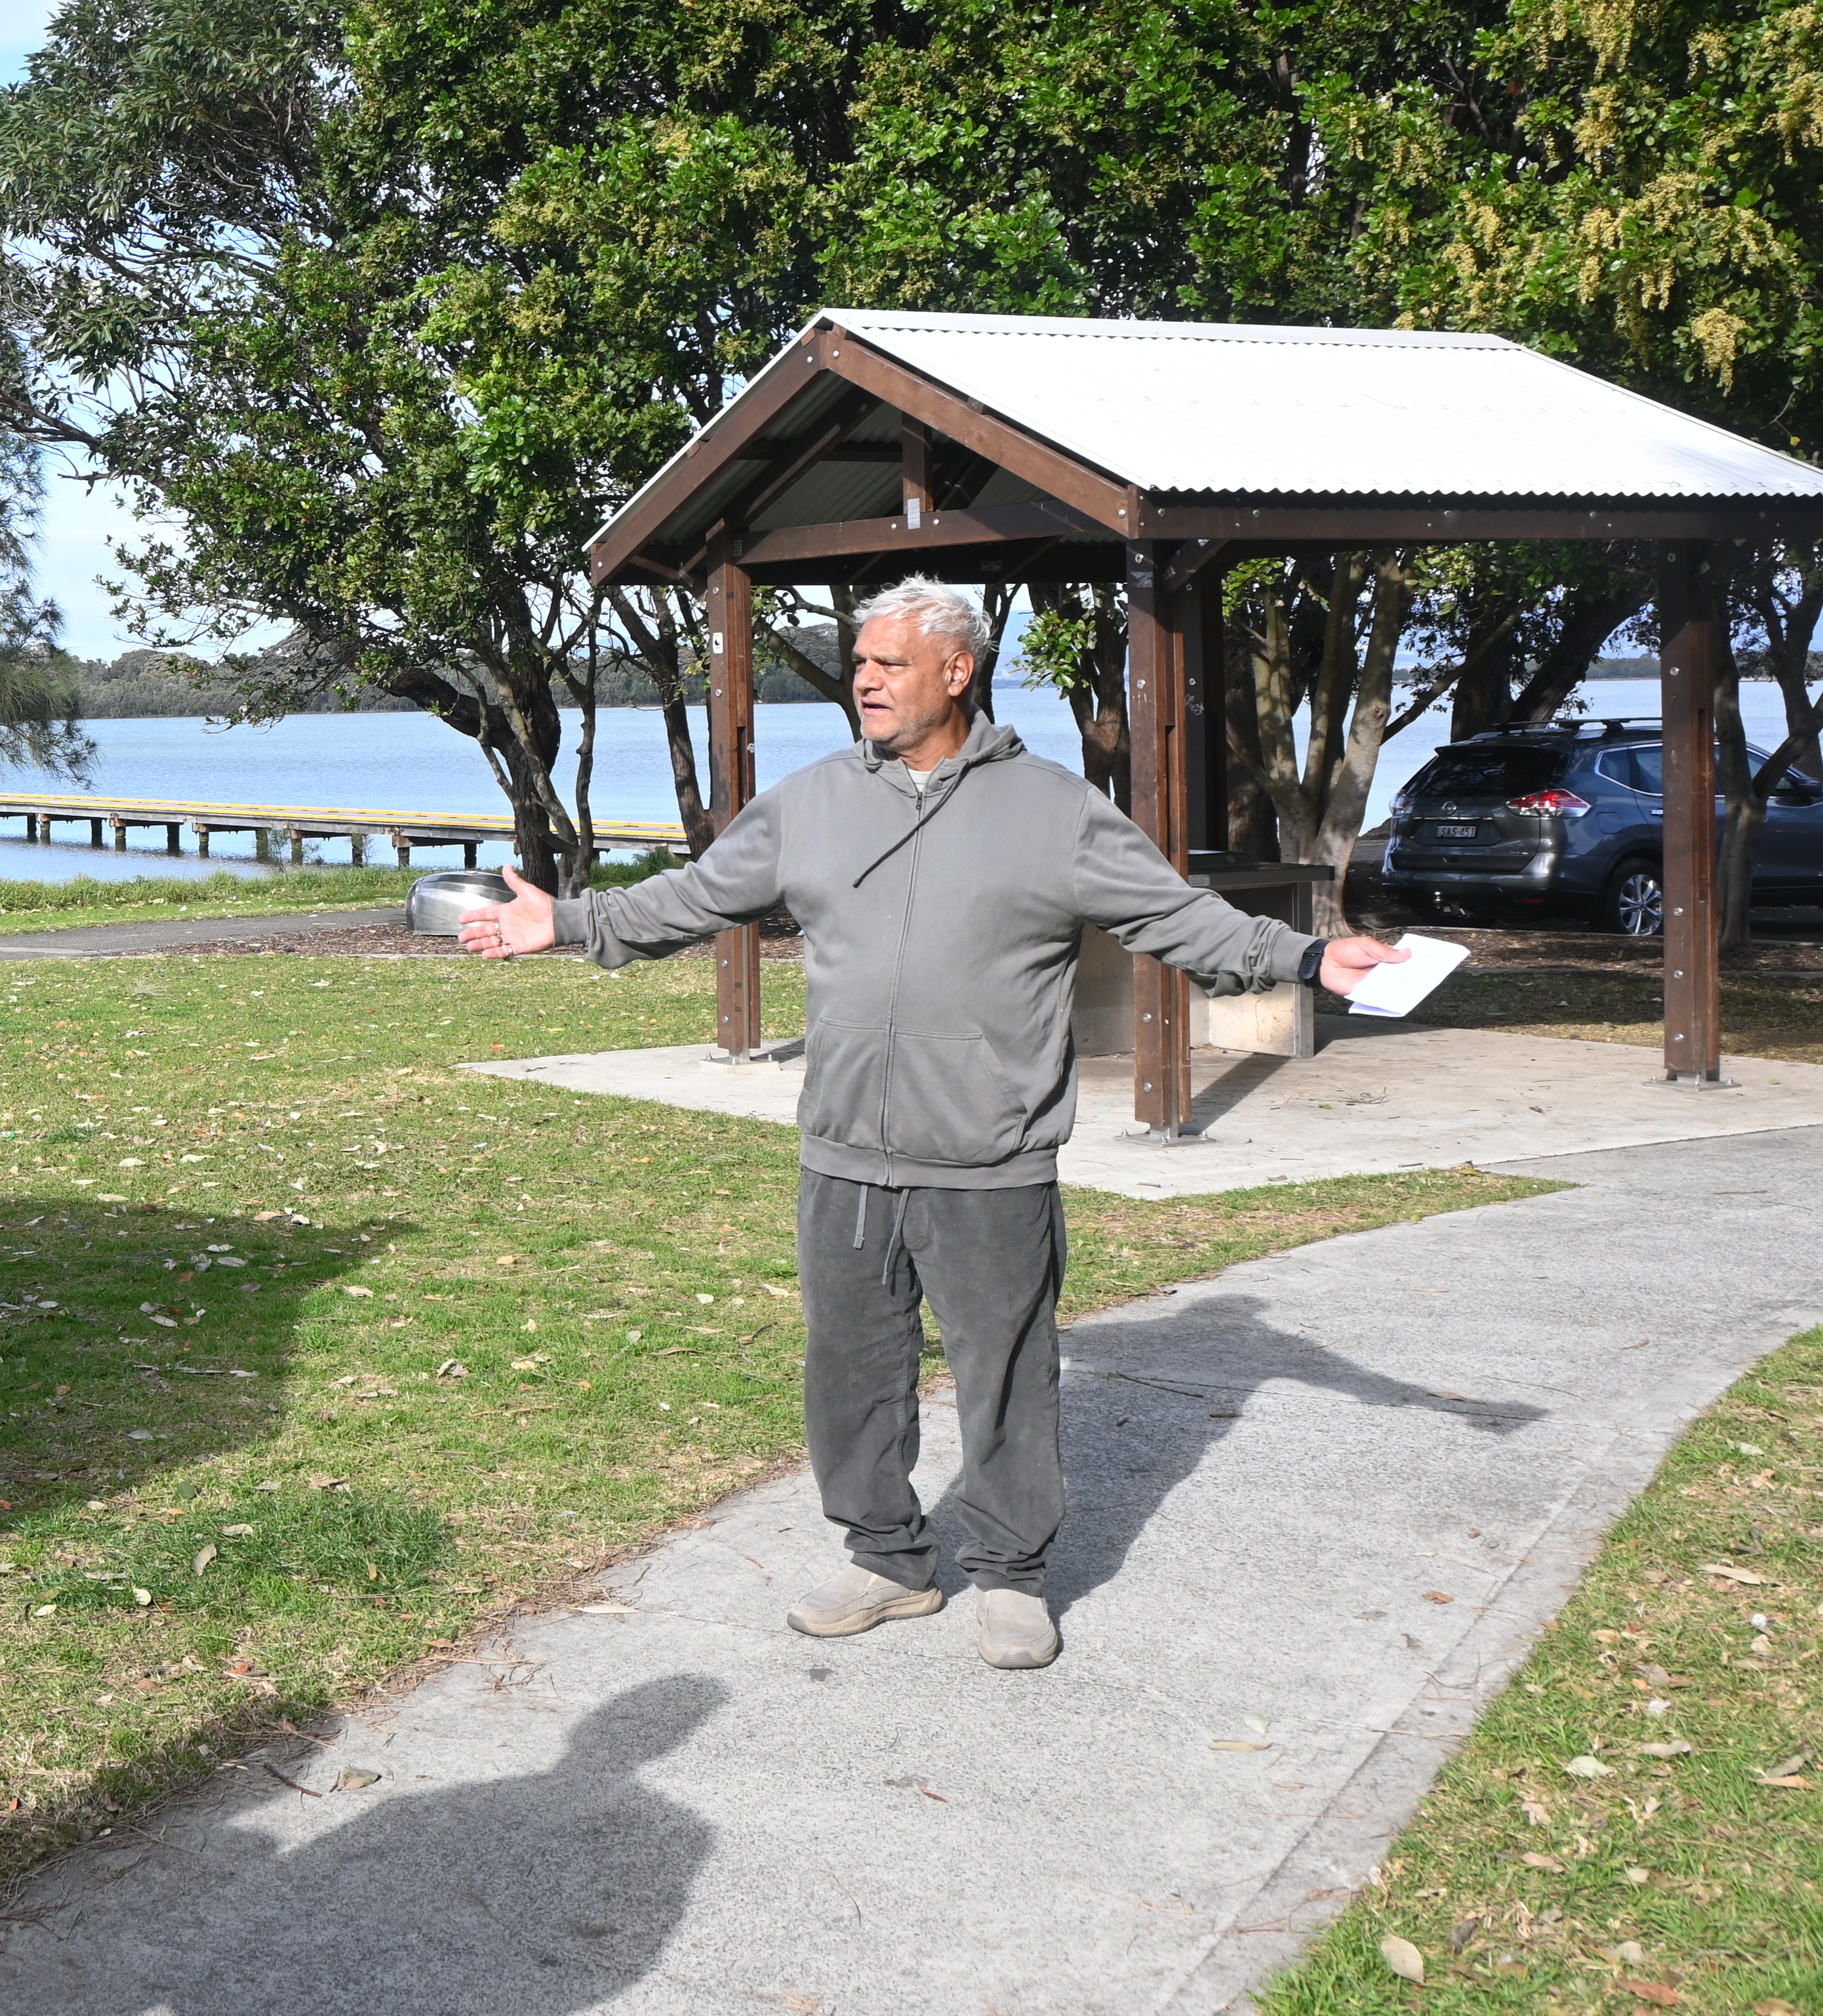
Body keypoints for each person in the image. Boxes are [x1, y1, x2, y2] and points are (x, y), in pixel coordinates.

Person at [457, 576, 1408, 1672]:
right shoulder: (810, 802)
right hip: (844, 1157)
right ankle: (887, 1559)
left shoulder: (1051, 810)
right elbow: (690, 896)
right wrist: (566, 920)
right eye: (859, 661)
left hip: (988, 1160)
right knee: (847, 1369)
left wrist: (1301, 954)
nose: (863, 677)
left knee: (1003, 1372)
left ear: (955, 673)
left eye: (888, 662)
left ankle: (1009, 1576)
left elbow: (1175, 917)